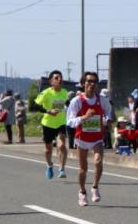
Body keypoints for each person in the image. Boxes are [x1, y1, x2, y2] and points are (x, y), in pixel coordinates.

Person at [65, 71, 113, 207]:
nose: (91, 84)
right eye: (89, 81)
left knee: (98, 161)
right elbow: (69, 121)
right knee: (83, 169)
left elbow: (109, 111)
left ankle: (95, 187)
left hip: (97, 137)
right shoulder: (77, 101)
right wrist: (84, 117)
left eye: (94, 82)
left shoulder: (102, 99)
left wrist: (109, 119)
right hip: (82, 138)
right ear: (83, 84)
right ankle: (82, 192)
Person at [32, 70, 70, 179]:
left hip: (61, 123)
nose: (59, 79)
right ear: (51, 81)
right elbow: (34, 106)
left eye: (60, 77)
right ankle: (49, 165)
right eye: (56, 78)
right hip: (48, 124)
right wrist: (49, 111)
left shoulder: (64, 92)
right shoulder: (46, 93)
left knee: (62, 145)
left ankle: (61, 169)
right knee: (48, 149)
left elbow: (68, 104)